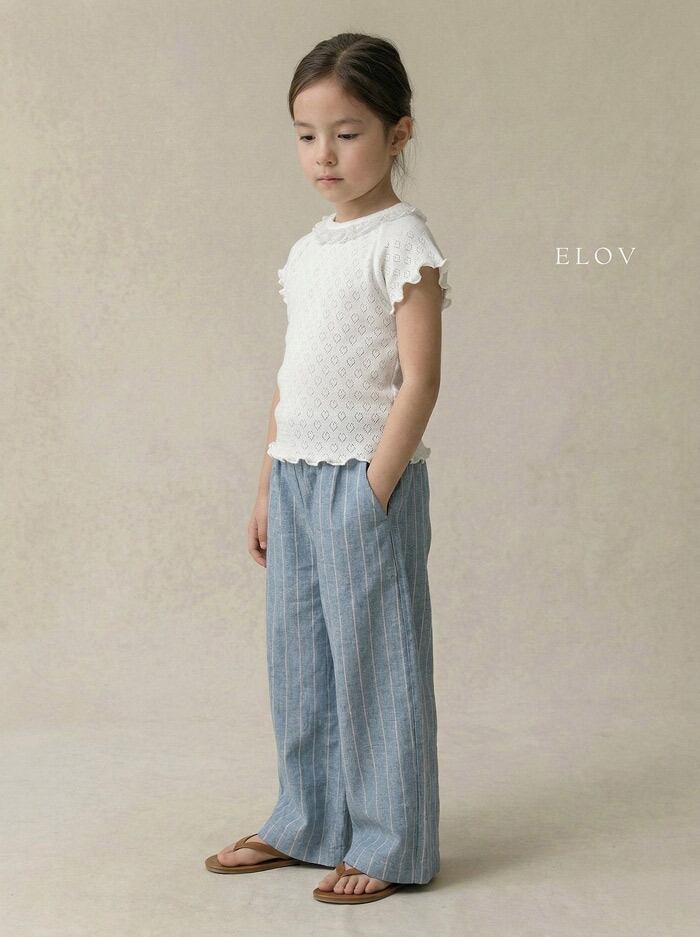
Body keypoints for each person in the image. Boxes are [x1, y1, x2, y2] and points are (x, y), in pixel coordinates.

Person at [205, 32, 451, 905]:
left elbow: (419, 379)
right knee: (300, 656)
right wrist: (266, 485)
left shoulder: (404, 242)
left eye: (347, 134)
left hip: (364, 479)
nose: (324, 155)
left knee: (378, 663)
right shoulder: (309, 250)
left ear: (398, 132)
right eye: (307, 136)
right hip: (297, 476)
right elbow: (293, 376)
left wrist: (376, 486)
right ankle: (307, 818)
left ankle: (391, 839)